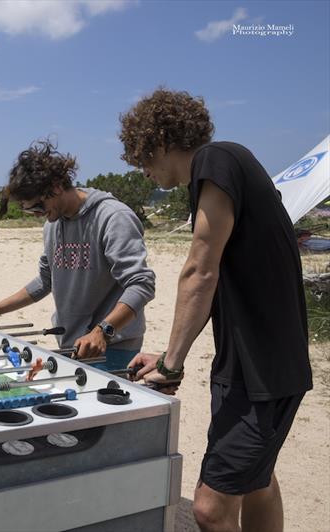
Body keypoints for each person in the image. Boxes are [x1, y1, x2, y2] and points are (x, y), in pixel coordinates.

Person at [119, 88, 312, 532]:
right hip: (254, 364)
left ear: (162, 141)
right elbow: (215, 283)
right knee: (256, 481)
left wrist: (171, 364)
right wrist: (165, 355)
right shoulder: (227, 170)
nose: (143, 172)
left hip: (263, 373)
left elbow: (199, 272)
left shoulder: (216, 160)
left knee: (209, 508)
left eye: (142, 160)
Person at [0, 140, 155, 370]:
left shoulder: (113, 217)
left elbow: (141, 284)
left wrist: (103, 331)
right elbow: (46, 280)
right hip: (72, 343)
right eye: (29, 210)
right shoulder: (52, 225)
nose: (36, 215)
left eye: (37, 207)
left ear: (55, 187)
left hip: (112, 345)